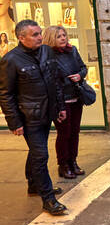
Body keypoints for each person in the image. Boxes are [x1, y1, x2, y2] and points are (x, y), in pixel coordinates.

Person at [0, 19, 68, 214]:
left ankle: (33, 184)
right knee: (41, 155)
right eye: (35, 35)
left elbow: (55, 81)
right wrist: (13, 122)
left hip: (47, 112)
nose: (40, 37)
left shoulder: (46, 51)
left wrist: (60, 107)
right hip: (29, 117)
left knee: (36, 152)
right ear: (21, 38)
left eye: (39, 33)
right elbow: (5, 94)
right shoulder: (11, 60)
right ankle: (48, 199)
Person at [44, 25, 88, 180]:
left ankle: (73, 161)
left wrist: (79, 75)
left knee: (75, 131)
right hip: (60, 100)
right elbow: (51, 80)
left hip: (76, 96)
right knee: (64, 133)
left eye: (64, 35)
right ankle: (63, 164)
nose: (63, 38)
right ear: (51, 39)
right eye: (58, 36)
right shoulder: (48, 56)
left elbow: (83, 67)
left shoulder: (72, 50)